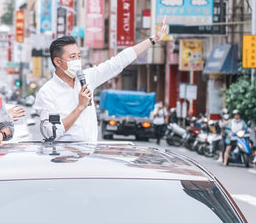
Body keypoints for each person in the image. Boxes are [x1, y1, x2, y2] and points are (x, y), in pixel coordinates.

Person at [33, 18, 168, 142]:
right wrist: (80, 107)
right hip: (64, 159)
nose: (77, 61)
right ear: (58, 61)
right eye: (72, 57)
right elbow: (52, 133)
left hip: (90, 155)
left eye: (79, 56)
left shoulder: (86, 77)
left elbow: (118, 62)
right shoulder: (47, 92)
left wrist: (153, 39)